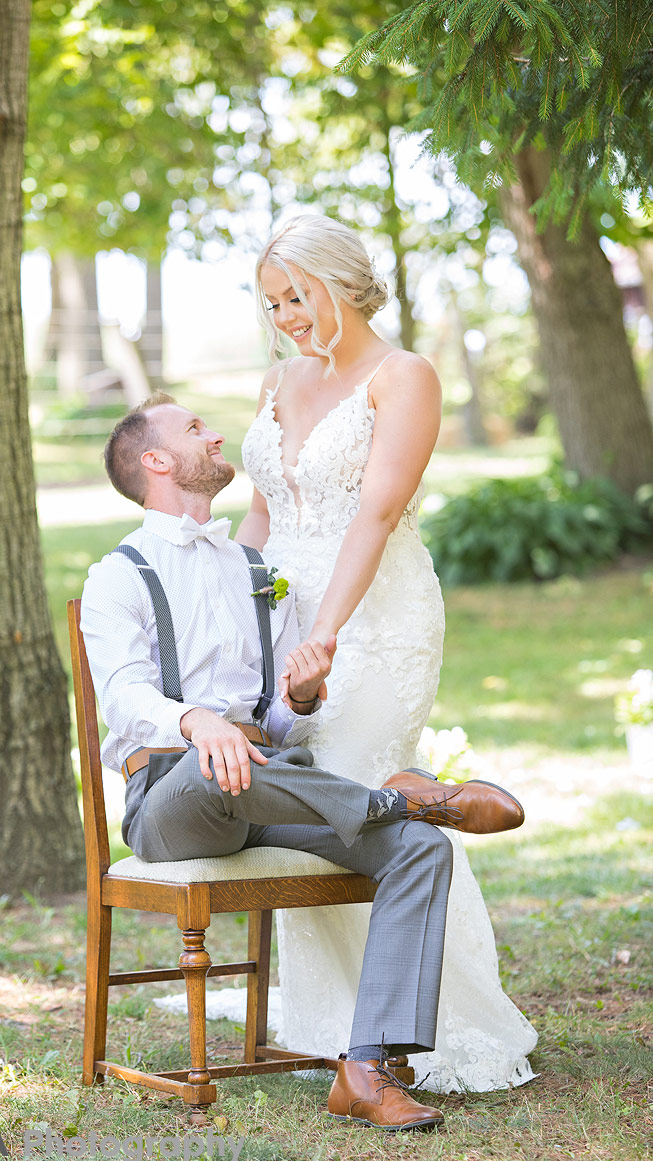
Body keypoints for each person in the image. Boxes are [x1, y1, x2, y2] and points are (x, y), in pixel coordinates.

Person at [81, 392, 525, 1131]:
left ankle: (365, 1067)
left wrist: (303, 696)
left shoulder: (256, 568)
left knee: (418, 849)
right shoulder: (118, 574)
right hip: (171, 797)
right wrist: (197, 724)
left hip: (267, 791)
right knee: (216, 758)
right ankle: (400, 797)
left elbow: (277, 722)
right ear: (155, 461)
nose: (217, 432)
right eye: (195, 429)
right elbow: (121, 695)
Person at [236, 213, 537, 1092]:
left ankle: (427, 1024)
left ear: (343, 281)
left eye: (298, 296)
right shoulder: (277, 379)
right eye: (271, 302)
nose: (286, 316)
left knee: (361, 794)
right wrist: (244, 611)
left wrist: (327, 628)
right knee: (307, 798)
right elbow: (264, 514)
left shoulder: (403, 376)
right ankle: (328, 1020)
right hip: (286, 617)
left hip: (376, 613)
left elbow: (373, 512)